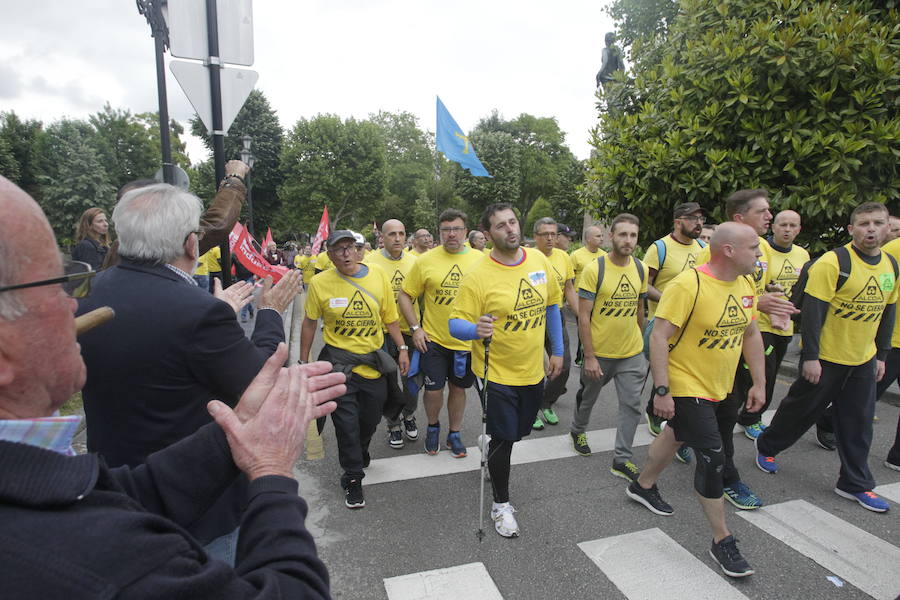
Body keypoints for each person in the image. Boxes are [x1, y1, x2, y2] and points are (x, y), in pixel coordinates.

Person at [0, 174, 347, 598]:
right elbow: (260, 378)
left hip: (118, 466)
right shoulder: (198, 310)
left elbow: (108, 493)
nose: (74, 301)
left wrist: (230, 435)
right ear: (190, 243)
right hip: (206, 518)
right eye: (56, 282)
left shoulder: (101, 291)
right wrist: (270, 470)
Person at [77, 183, 303, 552]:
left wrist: (218, 316)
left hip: (113, 487)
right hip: (194, 503)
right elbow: (263, 385)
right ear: (190, 244)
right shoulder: (196, 311)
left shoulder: (89, 292)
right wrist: (269, 313)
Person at [628, 223, 766, 578]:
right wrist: (662, 389)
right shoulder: (688, 284)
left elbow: (750, 333)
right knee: (713, 458)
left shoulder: (746, 284)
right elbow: (659, 337)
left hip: (723, 383)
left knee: (677, 432)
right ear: (729, 250)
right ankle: (722, 540)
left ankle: (642, 485)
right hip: (687, 383)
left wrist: (759, 383)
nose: (759, 253)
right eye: (753, 247)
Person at [755, 202, 897, 513]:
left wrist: (881, 355)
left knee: (859, 423)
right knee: (802, 409)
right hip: (827, 357)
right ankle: (767, 445)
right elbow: (813, 314)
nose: (871, 229)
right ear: (851, 229)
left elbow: (887, 311)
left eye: (877, 223)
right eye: (863, 224)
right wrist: (810, 357)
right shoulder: (833, 263)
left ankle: (854, 482)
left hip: (863, 359)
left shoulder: (890, 265)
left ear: (887, 227)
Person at [449, 203, 563, 537]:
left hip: (532, 370)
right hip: (494, 372)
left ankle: (489, 443)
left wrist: (556, 349)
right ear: (487, 234)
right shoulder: (478, 275)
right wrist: (475, 330)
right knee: (505, 440)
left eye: (513, 222)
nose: (510, 229)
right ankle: (501, 504)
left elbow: (552, 305)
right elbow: (455, 323)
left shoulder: (538, 261)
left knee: (519, 430)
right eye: (501, 226)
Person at [692, 188, 798, 510]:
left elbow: (753, 290)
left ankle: (680, 442)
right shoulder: (707, 255)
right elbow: (695, 303)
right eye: (762, 211)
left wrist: (772, 303)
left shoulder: (761, 247)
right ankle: (727, 477)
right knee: (718, 415)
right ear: (739, 218)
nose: (770, 216)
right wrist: (755, 304)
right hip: (705, 354)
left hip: (742, 342)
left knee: (721, 413)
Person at [300, 230, 409, 509]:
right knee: (345, 426)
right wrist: (304, 361)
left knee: (369, 420)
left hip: (373, 366)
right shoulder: (320, 283)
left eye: (350, 247)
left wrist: (403, 349)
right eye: (339, 249)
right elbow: (310, 323)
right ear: (330, 254)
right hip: (339, 368)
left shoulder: (377, 277)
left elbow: (390, 319)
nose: (346, 254)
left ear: (359, 250)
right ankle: (352, 477)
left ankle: (361, 449)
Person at [399, 210, 484, 456]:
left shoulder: (480, 259)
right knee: (433, 390)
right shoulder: (425, 261)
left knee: (459, 390)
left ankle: (454, 433)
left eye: (456, 229)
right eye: (446, 230)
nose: (451, 234)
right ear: (439, 233)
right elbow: (405, 295)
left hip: (466, 342)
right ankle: (433, 427)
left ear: (465, 232)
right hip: (433, 340)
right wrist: (415, 328)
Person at [571, 214, 648, 484]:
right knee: (588, 397)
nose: (628, 240)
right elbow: (583, 317)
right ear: (612, 236)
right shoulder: (595, 269)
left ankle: (622, 459)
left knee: (632, 406)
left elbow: (640, 308)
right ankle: (578, 429)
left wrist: (641, 342)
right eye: (623, 235)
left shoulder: (640, 268)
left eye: (633, 236)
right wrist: (589, 356)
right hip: (600, 355)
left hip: (631, 354)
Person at [642, 202, 708, 453]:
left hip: (693, 327)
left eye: (701, 218)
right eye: (693, 219)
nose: (699, 223)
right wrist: (671, 301)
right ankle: (659, 414)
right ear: (678, 221)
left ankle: (679, 428)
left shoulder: (704, 248)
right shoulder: (659, 248)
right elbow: (645, 286)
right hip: (664, 324)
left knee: (684, 378)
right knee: (670, 374)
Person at [737, 210, 809, 438]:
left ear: (799, 229)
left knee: (773, 371)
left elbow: (802, 290)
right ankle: (750, 418)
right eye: (783, 224)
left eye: (792, 225)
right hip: (761, 325)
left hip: (786, 326)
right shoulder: (762, 250)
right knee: (762, 374)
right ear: (774, 227)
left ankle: (750, 413)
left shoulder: (802, 254)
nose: (787, 229)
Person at [366, 219, 421, 447]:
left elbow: (425, 296)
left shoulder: (416, 262)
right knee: (389, 382)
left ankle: (409, 415)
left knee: (412, 382)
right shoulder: (369, 263)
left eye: (401, 233)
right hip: (382, 333)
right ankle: (393, 423)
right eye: (392, 234)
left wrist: (422, 327)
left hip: (410, 330)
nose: (397, 238)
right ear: (382, 238)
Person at [532, 217, 578, 430]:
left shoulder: (563, 257)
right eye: (545, 234)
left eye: (554, 234)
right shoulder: (528, 257)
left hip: (555, 314)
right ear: (535, 237)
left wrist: (581, 316)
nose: (550, 238)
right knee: (532, 366)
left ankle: (546, 401)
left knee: (564, 364)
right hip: (530, 316)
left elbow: (568, 288)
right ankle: (530, 408)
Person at [879, 233, 900, 471]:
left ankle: (897, 456)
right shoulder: (894, 250)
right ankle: (829, 420)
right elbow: (885, 296)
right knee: (870, 393)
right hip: (894, 340)